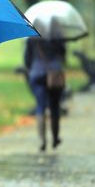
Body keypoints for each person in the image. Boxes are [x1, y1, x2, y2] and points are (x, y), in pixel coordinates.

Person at [24, 19, 66, 152]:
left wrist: (34, 68)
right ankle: (55, 138)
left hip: (37, 74)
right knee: (54, 107)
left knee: (40, 107)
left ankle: (42, 140)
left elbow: (27, 60)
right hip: (54, 76)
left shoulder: (32, 38)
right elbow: (64, 56)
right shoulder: (57, 37)